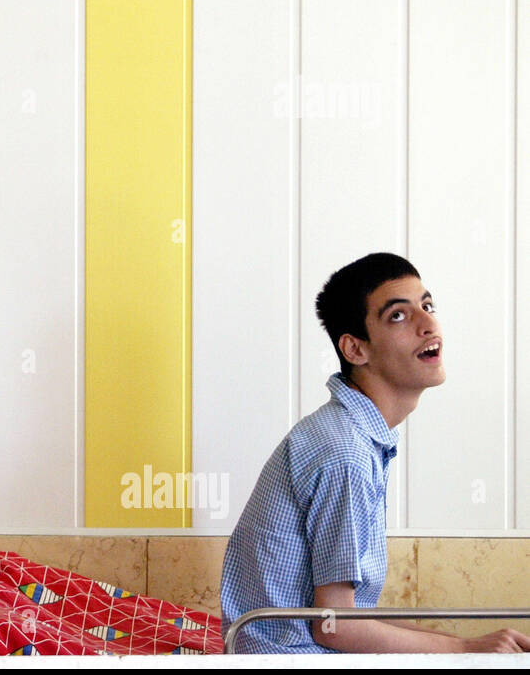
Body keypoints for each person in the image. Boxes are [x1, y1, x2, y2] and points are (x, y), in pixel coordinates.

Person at [220, 252, 530, 654]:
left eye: (427, 305)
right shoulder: (344, 451)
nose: (428, 323)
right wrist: (467, 651)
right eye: (398, 315)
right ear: (355, 349)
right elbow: (334, 627)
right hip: (290, 660)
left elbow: (346, 615)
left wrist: (469, 643)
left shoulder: (352, 435)